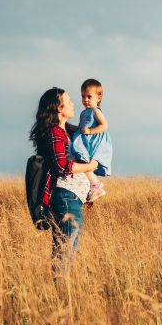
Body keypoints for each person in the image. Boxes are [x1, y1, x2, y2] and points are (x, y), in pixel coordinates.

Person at [29, 87, 101, 272]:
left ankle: (60, 291)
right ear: (59, 108)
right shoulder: (55, 133)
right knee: (65, 248)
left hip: (74, 198)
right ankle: (60, 290)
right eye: (68, 101)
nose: (73, 104)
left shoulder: (70, 132)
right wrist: (90, 167)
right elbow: (62, 166)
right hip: (65, 197)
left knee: (68, 247)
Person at [70, 78, 113, 203]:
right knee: (80, 160)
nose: (86, 100)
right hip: (86, 140)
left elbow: (104, 126)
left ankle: (95, 184)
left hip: (96, 142)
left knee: (82, 160)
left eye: (89, 96)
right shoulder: (84, 112)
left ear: (98, 98)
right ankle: (93, 183)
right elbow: (80, 128)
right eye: (83, 96)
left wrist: (89, 131)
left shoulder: (96, 111)